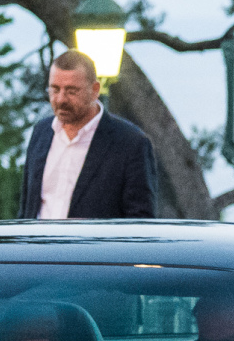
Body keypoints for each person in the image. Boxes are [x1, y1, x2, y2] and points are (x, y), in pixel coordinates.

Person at [18, 50, 157, 219]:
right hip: (38, 244)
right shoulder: (41, 132)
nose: (61, 99)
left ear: (95, 90)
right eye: (55, 89)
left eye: (71, 91)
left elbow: (140, 222)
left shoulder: (131, 144)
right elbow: (27, 209)